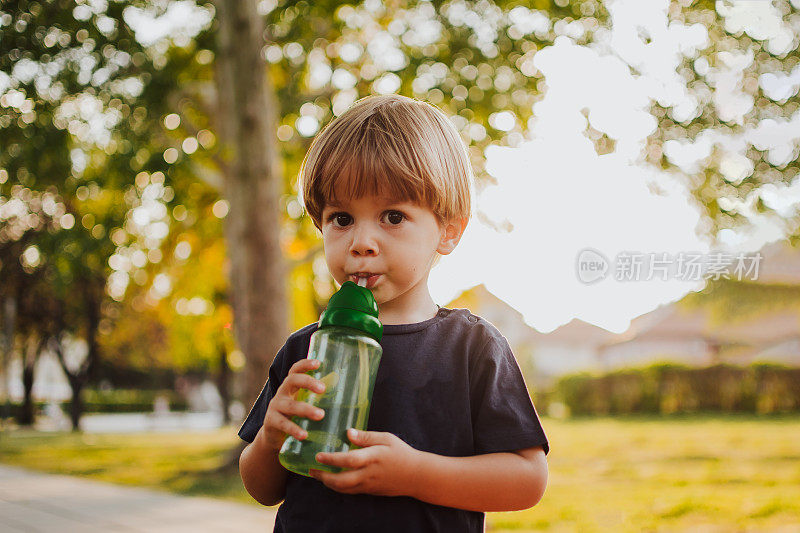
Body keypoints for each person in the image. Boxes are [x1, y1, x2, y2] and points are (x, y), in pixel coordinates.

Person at [238, 94, 549, 532]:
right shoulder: (304, 349)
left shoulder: (471, 347)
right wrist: (271, 438)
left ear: (448, 230)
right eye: (341, 218)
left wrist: (414, 473)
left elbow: (527, 480)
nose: (361, 241)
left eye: (392, 216)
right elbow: (262, 488)